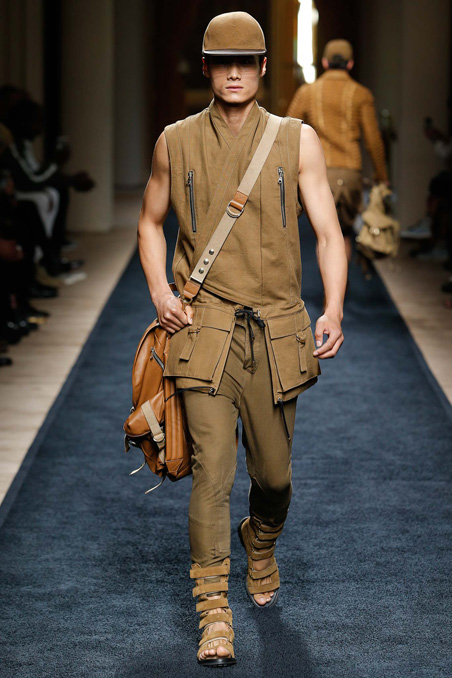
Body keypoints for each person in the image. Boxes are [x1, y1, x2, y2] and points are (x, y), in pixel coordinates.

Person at [137, 12, 347, 667]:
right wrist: (161, 293)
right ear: (206, 67)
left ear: (261, 67)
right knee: (211, 473)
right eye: (221, 61)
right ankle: (213, 612)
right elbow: (148, 221)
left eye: (245, 61)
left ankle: (260, 538)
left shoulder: (297, 140)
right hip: (202, 329)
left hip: (278, 331)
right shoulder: (174, 142)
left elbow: (328, 232)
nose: (233, 73)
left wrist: (334, 306)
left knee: (275, 478)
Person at [287, 39, 388, 264]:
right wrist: (382, 175)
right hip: (350, 171)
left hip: (317, 171)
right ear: (350, 64)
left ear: (324, 62)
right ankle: (341, 282)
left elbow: (288, 129)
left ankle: (329, 283)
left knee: (323, 235)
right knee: (343, 234)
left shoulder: (307, 92)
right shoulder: (361, 94)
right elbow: (373, 140)